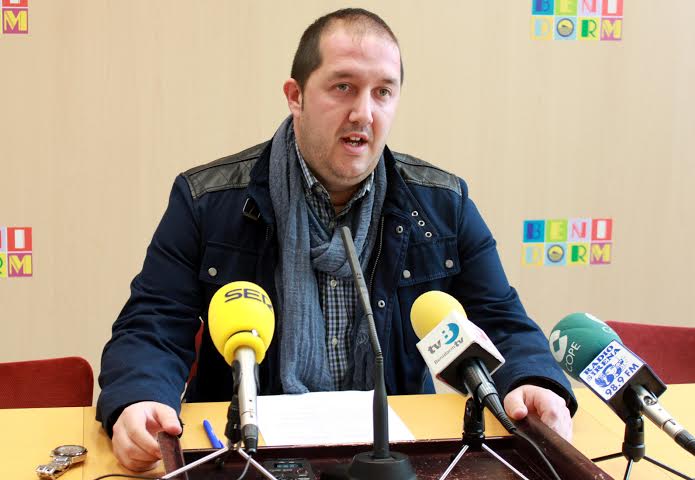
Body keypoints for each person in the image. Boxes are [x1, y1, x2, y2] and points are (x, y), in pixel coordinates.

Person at [97, 8, 576, 471]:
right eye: (343, 87)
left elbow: (500, 318)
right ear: (296, 96)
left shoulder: (442, 204)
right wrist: (139, 398)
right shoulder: (207, 202)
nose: (363, 113)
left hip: (397, 455)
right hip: (248, 453)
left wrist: (534, 379)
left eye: (383, 92)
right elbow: (153, 322)